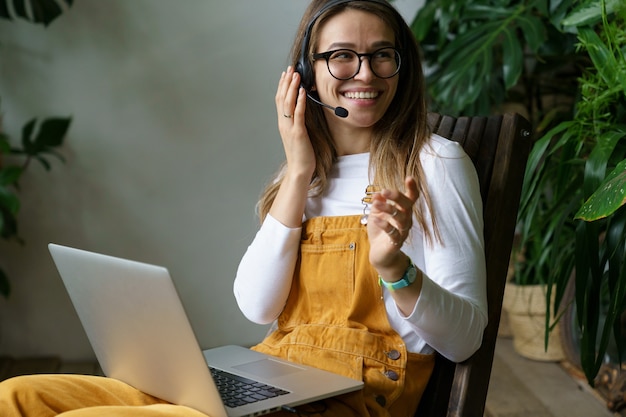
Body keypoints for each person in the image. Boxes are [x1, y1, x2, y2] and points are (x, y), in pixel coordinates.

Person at [0, 0, 486, 416]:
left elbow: (465, 339)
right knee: (17, 397)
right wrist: (298, 173)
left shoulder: (434, 163)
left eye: (382, 55)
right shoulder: (302, 174)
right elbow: (257, 307)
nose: (365, 73)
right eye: (342, 57)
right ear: (305, 73)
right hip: (275, 375)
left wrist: (395, 268)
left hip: (353, 397)